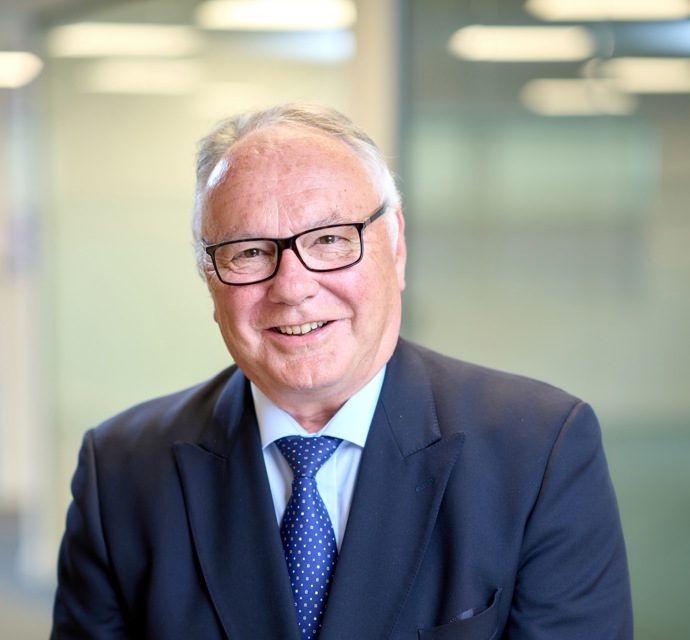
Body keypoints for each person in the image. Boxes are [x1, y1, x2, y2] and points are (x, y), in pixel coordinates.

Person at [52, 101, 633, 639]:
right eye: (250, 251)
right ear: (211, 279)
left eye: (331, 239)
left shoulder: (540, 452)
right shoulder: (122, 472)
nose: (294, 288)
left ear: (397, 247)